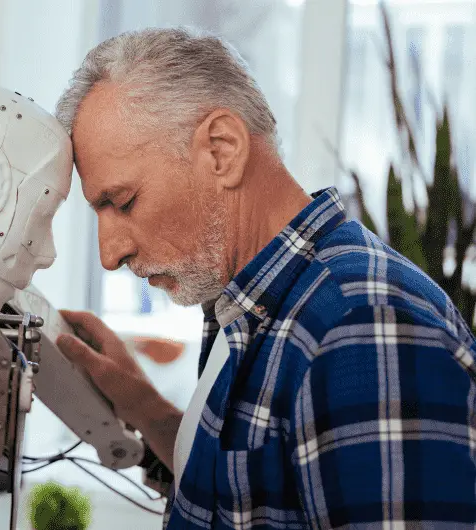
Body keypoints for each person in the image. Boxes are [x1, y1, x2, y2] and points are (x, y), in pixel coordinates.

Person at [53, 27, 476, 529]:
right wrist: (146, 410)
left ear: (222, 149)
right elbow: (251, 499)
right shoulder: (254, 305)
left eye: (123, 202)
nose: (109, 254)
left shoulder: (359, 326)